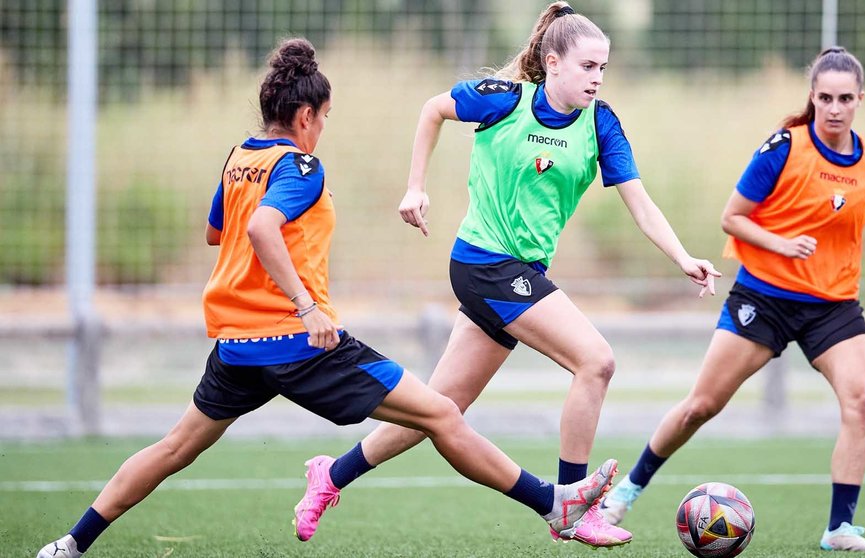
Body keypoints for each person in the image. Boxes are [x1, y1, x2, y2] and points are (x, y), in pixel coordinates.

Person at [35, 37, 624, 558]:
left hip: (236, 344)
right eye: (325, 117)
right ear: (305, 115)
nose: (324, 128)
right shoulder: (303, 165)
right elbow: (264, 228)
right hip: (302, 342)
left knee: (173, 448)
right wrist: (306, 304)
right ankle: (553, 504)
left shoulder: (240, 158)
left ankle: (71, 542)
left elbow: (220, 231)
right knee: (443, 414)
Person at [295, 1, 720, 549]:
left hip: (517, 274)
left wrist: (683, 257)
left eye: (603, 68)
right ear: (554, 62)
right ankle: (570, 503)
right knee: (596, 361)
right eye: (588, 66)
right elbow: (432, 109)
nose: (597, 78)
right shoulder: (504, 100)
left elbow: (640, 203)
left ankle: (331, 476)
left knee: (439, 409)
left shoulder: (601, 123)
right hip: (484, 264)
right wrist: (415, 186)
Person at [598, 47, 865, 553]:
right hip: (765, 296)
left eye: (845, 98)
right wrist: (782, 245)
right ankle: (624, 494)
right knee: (701, 407)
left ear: (861, 99)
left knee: (860, 402)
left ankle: (839, 529)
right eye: (825, 98)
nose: (835, 108)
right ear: (812, 98)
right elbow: (732, 217)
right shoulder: (783, 148)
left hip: (832, 306)